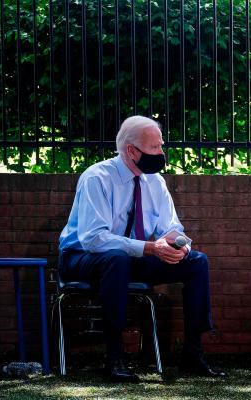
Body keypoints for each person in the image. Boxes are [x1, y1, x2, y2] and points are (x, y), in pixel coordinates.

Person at [58, 116, 226, 382]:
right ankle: (114, 358)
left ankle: (193, 354)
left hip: (132, 257)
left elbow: (171, 228)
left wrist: (179, 246)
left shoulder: (154, 182)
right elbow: (93, 239)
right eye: (155, 148)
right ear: (132, 151)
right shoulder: (97, 178)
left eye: (161, 146)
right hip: (82, 258)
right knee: (116, 258)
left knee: (196, 262)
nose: (161, 154)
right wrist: (149, 247)